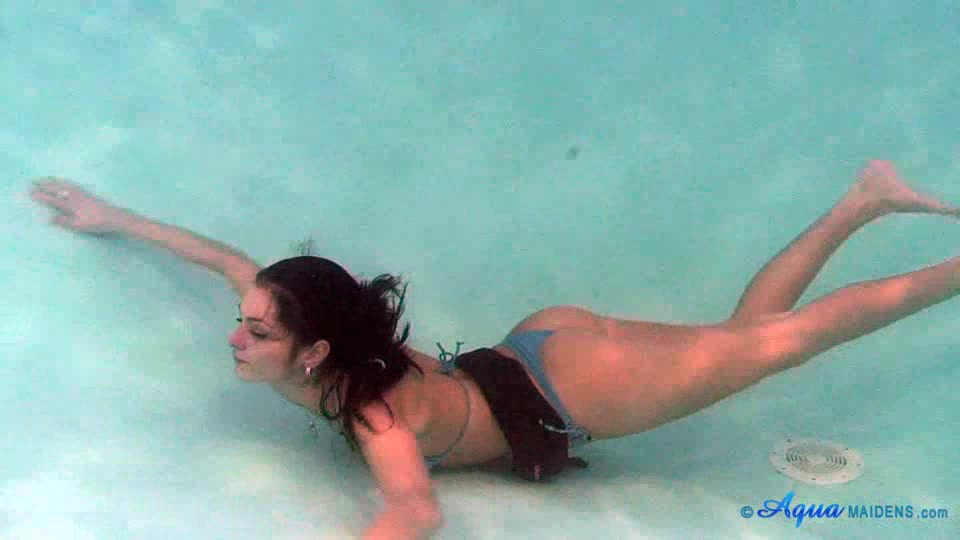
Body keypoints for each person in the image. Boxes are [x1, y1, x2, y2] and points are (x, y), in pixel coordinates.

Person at [28, 160, 960, 539]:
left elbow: (415, 508)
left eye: (257, 330)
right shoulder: (312, 338)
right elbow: (226, 259)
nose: (236, 336)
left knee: (790, 341)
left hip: (575, 390)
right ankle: (862, 201)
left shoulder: (373, 412)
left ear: (314, 352)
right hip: (540, 349)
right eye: (246, 321)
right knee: (749, 339)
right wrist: (112, 217)